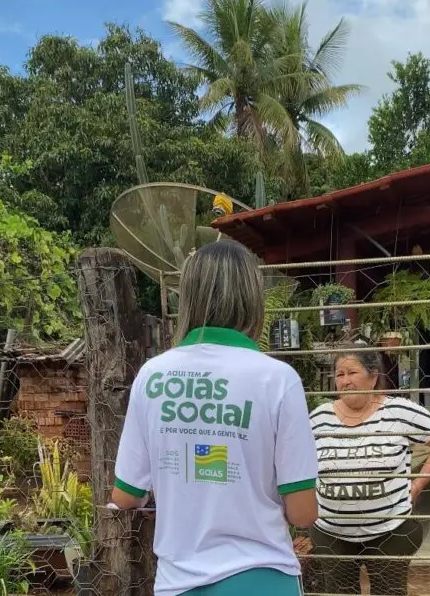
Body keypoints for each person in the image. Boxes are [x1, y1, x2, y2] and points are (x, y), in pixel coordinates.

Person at [109, 241, 319, 596]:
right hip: (262, 579)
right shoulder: (277, 379)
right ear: (254, 299)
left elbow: (126, 495)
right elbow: (302, 512)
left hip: (179, 584)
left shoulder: (152, 376)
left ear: (189, 297)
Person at [309, 345, 430, 596]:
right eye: (339, 375)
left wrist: (418, 484)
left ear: (373, 375)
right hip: (331, 532)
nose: (345, 381)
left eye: (352, 373)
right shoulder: (319, 417)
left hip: (389, 531)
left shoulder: (399, 411)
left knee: (389, 592)